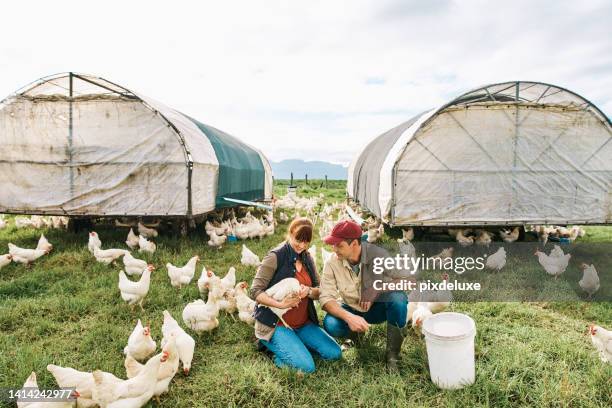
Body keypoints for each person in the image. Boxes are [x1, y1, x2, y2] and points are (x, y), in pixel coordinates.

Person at [249, 217, 342, 373]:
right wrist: (281, 305)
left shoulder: (307, 258)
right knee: (307, 368)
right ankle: (272, 351)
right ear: (290, 233)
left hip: (302, 323)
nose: (302, 245)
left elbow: (319, 289)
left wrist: (309, 291)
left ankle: (295, 344)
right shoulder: (275, 257)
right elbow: (255, 291)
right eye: (299, 240)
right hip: (276, 324)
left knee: (334, 353)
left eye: (306, 242)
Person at [319, 220, 409, 372]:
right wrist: (349, 317)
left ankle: (393, 355)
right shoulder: (331, 262)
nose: (334, 249)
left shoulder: (380, 255)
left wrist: (376, 289)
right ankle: (354, 335)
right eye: (333, 245)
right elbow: (325, 298)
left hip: (376, 310)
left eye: (339, 245)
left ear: (354, 244)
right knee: (331, 324)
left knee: (398, 300)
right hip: (350, 308)